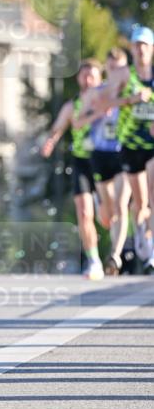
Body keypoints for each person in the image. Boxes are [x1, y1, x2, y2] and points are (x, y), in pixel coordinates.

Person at [41, 60, 103, 279]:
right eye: (84, 76)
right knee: (85, 213)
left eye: (92, 76)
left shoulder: (108, 102)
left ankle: (123, 250)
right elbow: (57, 128)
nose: (88, 80)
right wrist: (50, 142)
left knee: (106, 217)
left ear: (100, 78)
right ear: (78, 78)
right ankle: (94, 260)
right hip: (82, 162)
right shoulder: (72, 105)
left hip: (106, 162)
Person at [73, 48, 131, 276]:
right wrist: (99, 112)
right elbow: (78, 122)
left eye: (120, 68)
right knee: (107, 215)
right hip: (100, 155)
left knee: (121, 203)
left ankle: (114, 256)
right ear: (107, 69)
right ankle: (104, 209)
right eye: (112, 68)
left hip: (124, 153)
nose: (116, 72)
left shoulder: (134, 90)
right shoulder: (97, 93)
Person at [106, 25, 154, 271]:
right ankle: (142, 238)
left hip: (152, 144)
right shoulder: (124, 74)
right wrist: (131, 99)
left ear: (152, 48)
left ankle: (152, 251)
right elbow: (107, 101)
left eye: (144, 45)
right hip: (130, 144)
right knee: (141, 203)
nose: (140, 49)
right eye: (136, 45)